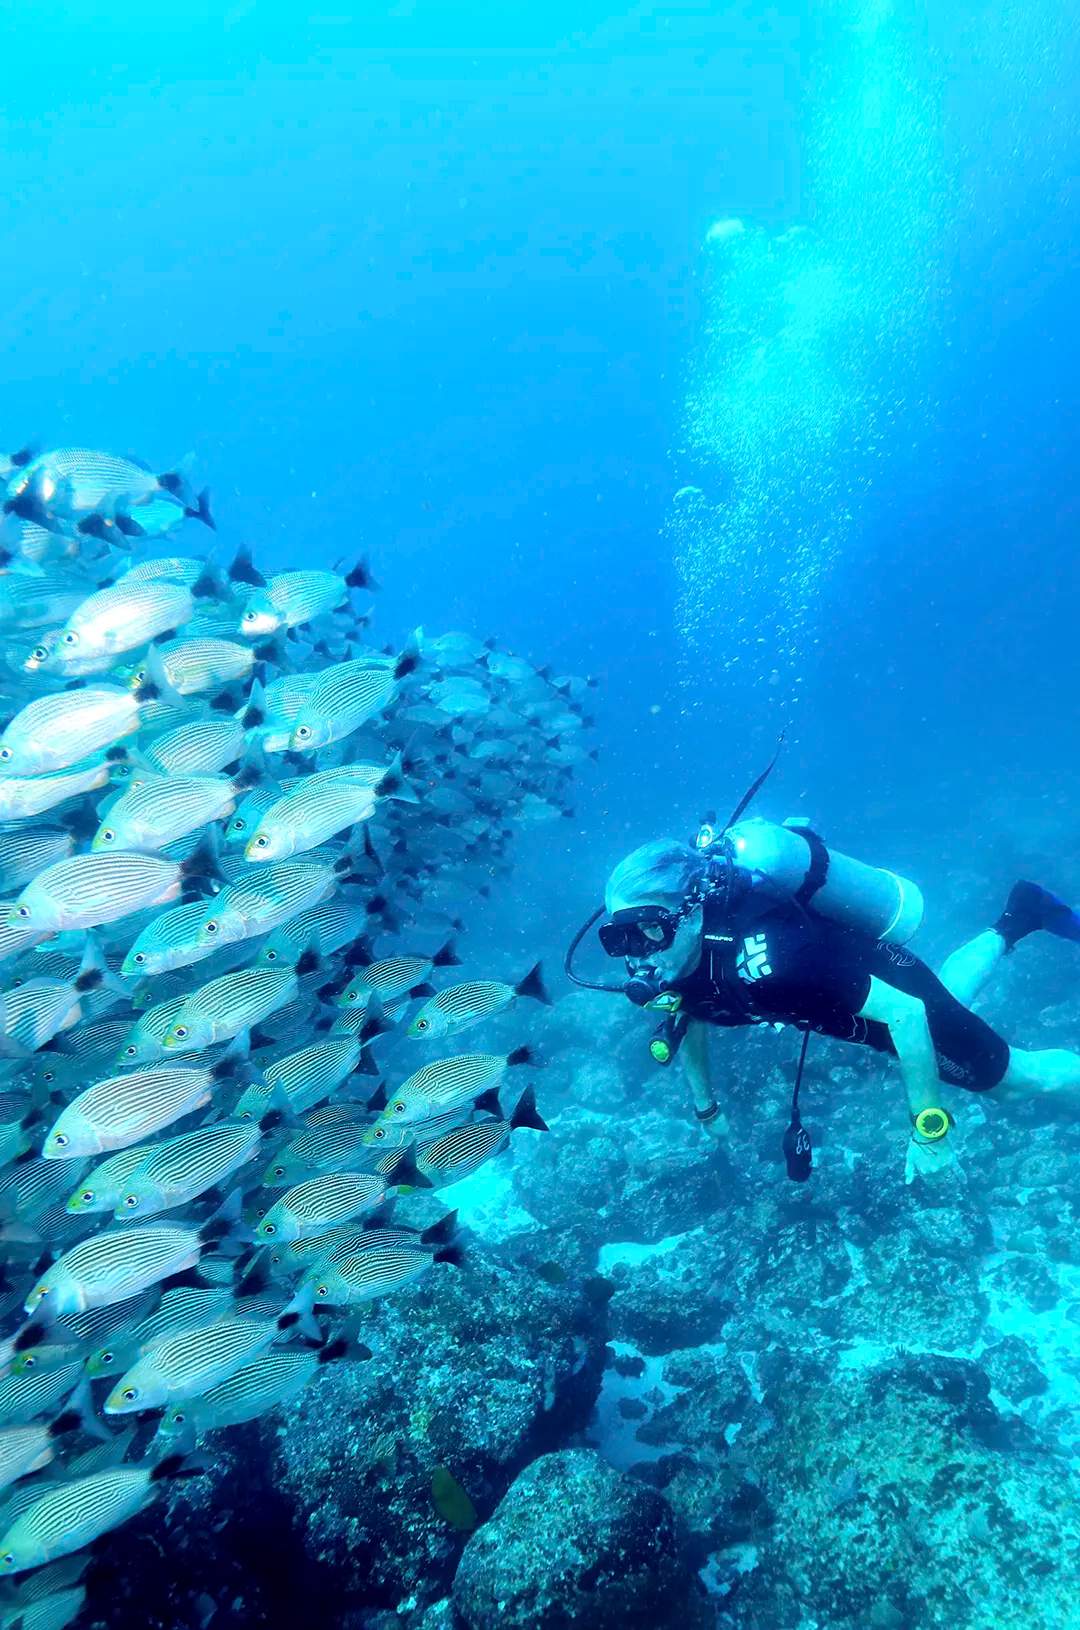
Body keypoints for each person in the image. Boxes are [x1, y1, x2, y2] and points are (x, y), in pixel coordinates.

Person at [598, 835, 1080, 1182]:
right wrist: (706, 1108)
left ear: (694, 908)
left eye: (649, 929)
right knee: (951, 998)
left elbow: (907, 1014)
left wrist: (928, 1126)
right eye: (618, 937)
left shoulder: (776, 961)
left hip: (893, 993)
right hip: (863, 1011)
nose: (639, 953)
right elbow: (692, 1017)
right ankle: (1021, 915)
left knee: (1013, 1084)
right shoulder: (681, 960)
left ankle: (1021, 919)